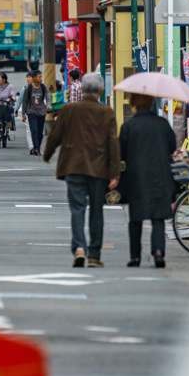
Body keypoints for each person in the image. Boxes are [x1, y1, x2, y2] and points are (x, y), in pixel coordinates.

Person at [42, 73, 120, 268]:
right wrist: (115, 172)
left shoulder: (69, 109)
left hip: (73, 166)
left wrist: (47, 154)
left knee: (77, 209)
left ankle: (79, 248)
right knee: (96, 211)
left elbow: (55, 134)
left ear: (83, 89)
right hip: (99, 168)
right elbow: (113, 143)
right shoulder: (107, 112)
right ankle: (94, 255)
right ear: (101, 91)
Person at [119, 93, 177, 268]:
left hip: (136, 176)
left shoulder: (129, 126)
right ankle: (158, 252)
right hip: (161, 175)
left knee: (136, 218)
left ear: (134, 105)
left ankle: (135, 256)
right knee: (158, 217)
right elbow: (172, 147)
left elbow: (120, 152)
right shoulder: (163, 124)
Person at [21, 69, 49, 156]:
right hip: (31, 112)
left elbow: (48, 97)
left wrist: (48, 105)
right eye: (39, 77)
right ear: (34, 78)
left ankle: (37, 146)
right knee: (34, 130)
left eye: (41, 77)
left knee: (40, 132)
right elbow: (25, 102)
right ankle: (36, 148)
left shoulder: (43, 87)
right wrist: (23, 114)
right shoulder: (28, 89)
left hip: (41, 112)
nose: (41, 78)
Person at [14, 73, 34, 149]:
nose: (28, 79)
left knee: (37, 130)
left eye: (30, 77)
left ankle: (36, 145)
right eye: (27, 77)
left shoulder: (41, 87)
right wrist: (16, 110)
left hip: (38, 112)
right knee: (29, 130)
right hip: (28, 112)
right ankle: (31, 147)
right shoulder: (24, 88)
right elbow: (20, 100)